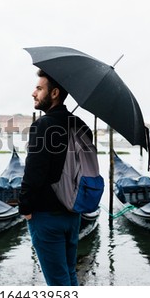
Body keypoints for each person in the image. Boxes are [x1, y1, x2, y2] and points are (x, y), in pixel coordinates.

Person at [18, 69, 93, 286]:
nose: (33, 93)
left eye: (39, 88)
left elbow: (33, 174)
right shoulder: (80, 125)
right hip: (73, 213)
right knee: (68, 274)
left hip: (46, 216)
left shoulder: (43, 125)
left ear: (54, 93)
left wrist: (26, 209)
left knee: (57, 283)